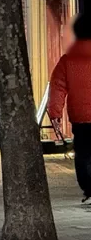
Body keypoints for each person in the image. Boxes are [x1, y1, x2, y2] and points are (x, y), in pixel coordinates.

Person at [49, 12, 91, 202]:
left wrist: (55, 112)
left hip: (80, 116)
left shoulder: (67, 60)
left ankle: (89, 189)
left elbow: (57, 87)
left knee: (82, 153)